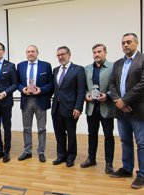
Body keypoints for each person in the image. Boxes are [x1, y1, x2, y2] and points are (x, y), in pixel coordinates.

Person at [109, 33, 144, 189]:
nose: (125, 45)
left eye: (129, 42)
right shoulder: (117, 64)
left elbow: (142, 85)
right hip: (121, 110)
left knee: (142, 143)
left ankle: (142, 174)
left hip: (138, 110)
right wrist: (119, 101)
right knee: (125, 141)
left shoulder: (142, 60)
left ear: (136, 43)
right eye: (123, 43)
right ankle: (127, 168)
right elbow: (111, 85)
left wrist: (125, 100)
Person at [80, 44, 115, 174]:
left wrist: (108, 95)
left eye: (99, 52)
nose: (96, 54)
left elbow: (116, 86)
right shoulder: (87, 69)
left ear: (105, 53)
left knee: (109, 136)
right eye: (94, 52)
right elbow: (82, 88)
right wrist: (86, 96)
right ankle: (91, 159)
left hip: (106, 107)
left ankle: (109, 163)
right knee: (92, 135)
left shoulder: (113, 67)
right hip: (92, 108)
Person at [17, 45, 52, 163]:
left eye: (33, 51)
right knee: (26, 128)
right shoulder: (20, 66)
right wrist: (23, 89)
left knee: (41, 128)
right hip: (26, 100)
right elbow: (17, 83)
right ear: (26, 53)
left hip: (40, 100)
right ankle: (27, 151)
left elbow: (51, 84)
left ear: (37, 53)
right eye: (28, 52)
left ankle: (41, 152)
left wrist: (40, 89)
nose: (30, 53)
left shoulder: (46, 65)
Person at [51, 46, 86, 167]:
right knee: (59, 133)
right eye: (58, 55)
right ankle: (61, 156)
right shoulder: (55, 70)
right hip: (56, 107)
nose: (61, 57)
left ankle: (71, 157)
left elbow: (81, 90)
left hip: (71, 108)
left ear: (69, 55)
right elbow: (55, 89)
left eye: (63, 54)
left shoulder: (78, 69)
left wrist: (78, 107)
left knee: (71, 134)